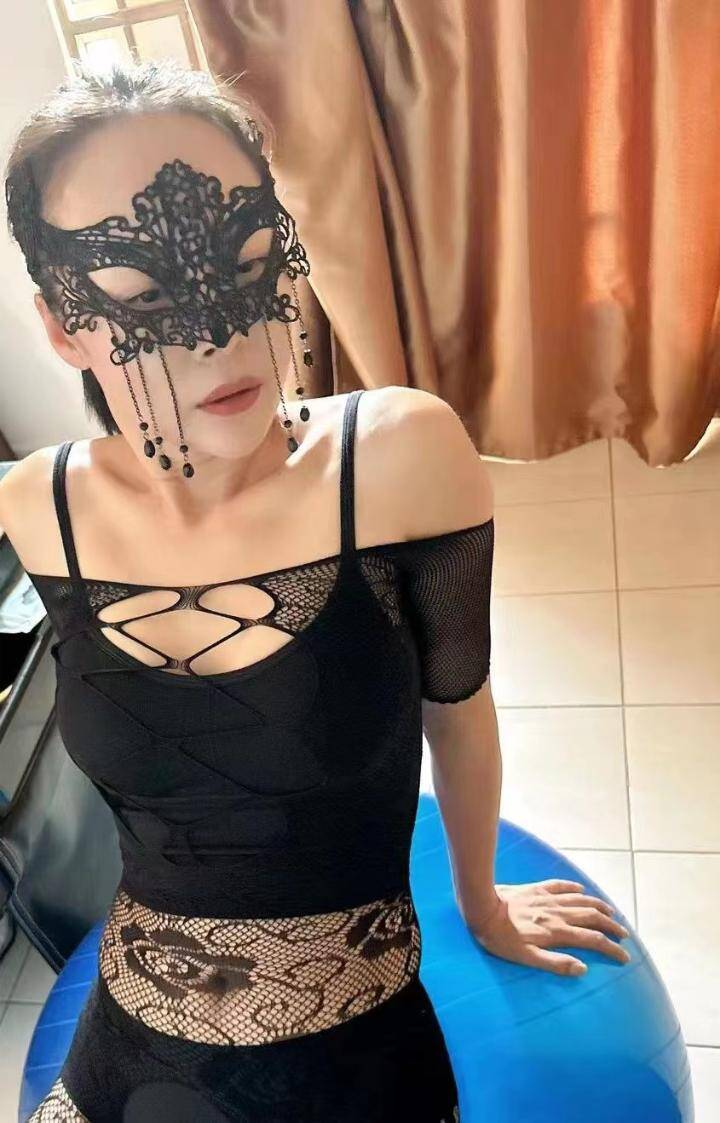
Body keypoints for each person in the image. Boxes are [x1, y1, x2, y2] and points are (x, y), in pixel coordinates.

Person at [0, 57, 630, 1123]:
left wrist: (480, 902)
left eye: (250, 263)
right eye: (145, 297)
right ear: (64, 328)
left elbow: (458, 707)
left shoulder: (401, 459)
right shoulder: (39, 509)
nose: (222, 335)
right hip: (137, 1039)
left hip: (358, 1051)